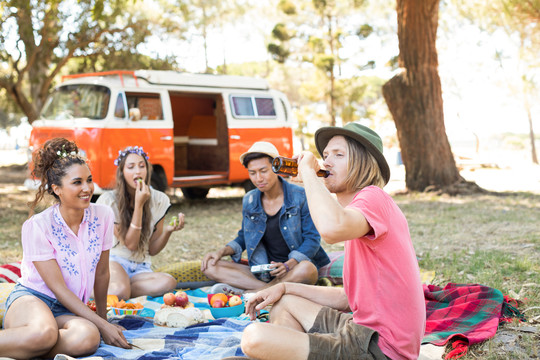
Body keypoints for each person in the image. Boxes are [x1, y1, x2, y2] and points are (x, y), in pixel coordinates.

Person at [239, 123, 426, 360]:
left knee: (254, 337)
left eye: (338, 155)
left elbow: (329, 229)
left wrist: (308, 173)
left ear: (363, 163)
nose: (326, 162)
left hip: (380, 348)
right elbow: (346, 298)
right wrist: (283, 286)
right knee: (284, 303)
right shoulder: (356, 215)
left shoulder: (374, 198)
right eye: (325, 155)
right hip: (359, 329)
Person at [0, 138, 131, 359]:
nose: (87, 188)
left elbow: (101, 273)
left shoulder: (103, 216)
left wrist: (103, 321)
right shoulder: (38, 226)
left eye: (89, 180)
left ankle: (24, 347)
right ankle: (32, 342)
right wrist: (102, 324)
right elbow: (58, 289)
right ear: (57, 189)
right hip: (32, 300)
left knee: (88, 337)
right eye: (77, 182)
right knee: (44, 333)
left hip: (68, 310)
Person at [201, 141, 330, 293]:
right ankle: (267, 289)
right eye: (252, 173)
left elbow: (312, 239)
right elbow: (244, 236)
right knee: (210, 266)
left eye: (263, 171)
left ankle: (256, 292)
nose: (258, 178)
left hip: (294, 268)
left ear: (276, 168)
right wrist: (220, 252)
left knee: (307, 269)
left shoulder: (300, 196)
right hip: (263, 271)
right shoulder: (249, 200)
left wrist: (288, 265)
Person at [96, 146, 185, 300]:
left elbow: (152, 250)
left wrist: (168, 231)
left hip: (141, 268)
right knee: (119, 292)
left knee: (168, 282)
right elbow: (130, 244)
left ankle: (120, 288)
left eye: (142, 166)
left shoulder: (160, 200)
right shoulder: (108, 201)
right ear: (122, 173)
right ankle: (107, 287)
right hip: (115, 260)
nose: (137, 171)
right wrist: (139, 205)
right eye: (131, 167)